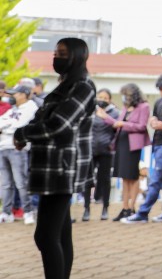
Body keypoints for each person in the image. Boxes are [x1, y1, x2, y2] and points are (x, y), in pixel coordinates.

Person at [13, 37, 95, 279]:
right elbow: (41, 118)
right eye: (55, 52)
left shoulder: (83, 87)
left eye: (62, 53)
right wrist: (23, 133)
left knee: (45, 236)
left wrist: (23, 133)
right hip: (50, 167)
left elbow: (60, 125)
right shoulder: (62, 88)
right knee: (60, 234)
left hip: (63, 169)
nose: (56, 57)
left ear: (77, 57)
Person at [122, 73, 162, 224]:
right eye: (160, 90)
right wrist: (153, 120)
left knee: (155, 179)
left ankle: (143, 213)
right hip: (159, 143)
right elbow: (154, 117)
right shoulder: (159, 102)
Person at [97, 82, 150, 221]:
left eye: (126, 95)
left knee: (133, 176)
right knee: (124, 177)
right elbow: (116, 123)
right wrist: (105, 117)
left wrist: (124, 124)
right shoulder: (126, 108)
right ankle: (125, 208)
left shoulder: (144, 106)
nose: (124, 98)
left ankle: (132, 208)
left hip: (133, 145)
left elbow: (142, 126)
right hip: (122, 142)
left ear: (133, 94)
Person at [0, 85, 38, 224]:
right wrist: (7, 126)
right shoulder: (13, 109)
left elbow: (20, 126)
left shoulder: (31, 107)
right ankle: (6, 212)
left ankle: (28, 212)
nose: (11, 96)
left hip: (18, 149)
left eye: (14, 94)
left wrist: (5, 127)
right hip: (3, 147)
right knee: (6, 184)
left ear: (23, 94)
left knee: (21, 182)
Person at [82, 88, 119, 221]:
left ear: (110, 100)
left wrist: (111, 144)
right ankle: (86, 209)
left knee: (105, 180)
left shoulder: (114, 113)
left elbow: (117, 131)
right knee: (87, 180)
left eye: (105, 98)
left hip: (106, 150)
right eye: (100, 97)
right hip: (90, 149)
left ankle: (105, 209)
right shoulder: (90, 111)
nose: (102, 100)